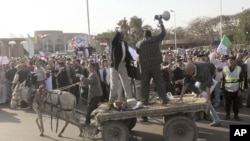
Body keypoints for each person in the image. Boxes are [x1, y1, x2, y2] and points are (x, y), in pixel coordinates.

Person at [177, 62, 221, 127]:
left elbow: (207, 86)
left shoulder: (203, 72)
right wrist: (181, 97)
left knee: (205, 99)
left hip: (211, 73)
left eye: (189, 74)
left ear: (192, 70)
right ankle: (198, 93)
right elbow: (185, 84)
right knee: (189, 85)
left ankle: (217, 120)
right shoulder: (188, 70)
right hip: (199, 78)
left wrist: (208, 99)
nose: (188, 75)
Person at [136, 17, 169, 105]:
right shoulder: (155, 39)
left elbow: (137, 52)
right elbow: (163, 33)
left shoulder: (139, 43)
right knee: (159, 82)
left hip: (145, 67)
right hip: (155, 65)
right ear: (150, 35)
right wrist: (161, 24)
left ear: (144, 36)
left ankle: (145, 101)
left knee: (145, 85)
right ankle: (164, 100)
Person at [108, 18, 136, 105]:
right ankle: (111, 101)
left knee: (126, 83)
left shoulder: (125, 44)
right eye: (121, 36)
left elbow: (126, 53)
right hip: (115, 66)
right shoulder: (115, 43)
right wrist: (122, 26)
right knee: (114, 85)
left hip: (123, 65)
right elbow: (116, 35)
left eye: (123, 36)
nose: (123, 36)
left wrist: (132, 59)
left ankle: (130, 99)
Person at [221, 56, 244, 121]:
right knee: (227, 103)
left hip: (236, 89)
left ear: (234, 61)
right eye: (229, 61)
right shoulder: (225, 68)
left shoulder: (239, 68)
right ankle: (227, 115)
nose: (230, 62)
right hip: (227, 89)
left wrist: (240, 89)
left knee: (236, 104)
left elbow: (242, 80)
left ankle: (236, 116)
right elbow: (222, 79)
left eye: (231, 60)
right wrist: (221, 88)